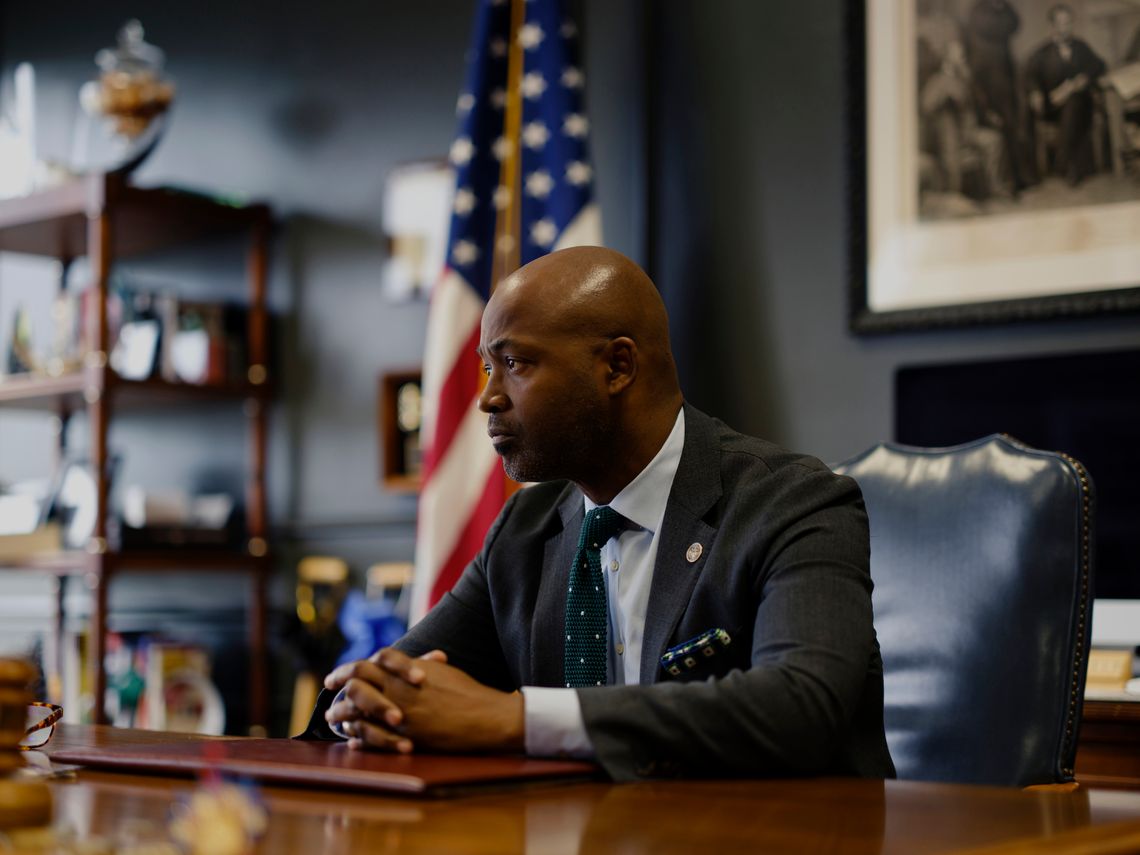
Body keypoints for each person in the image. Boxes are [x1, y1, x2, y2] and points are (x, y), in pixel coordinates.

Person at [304, 246, 895, 781]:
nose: (488, 396)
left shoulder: (796, 502)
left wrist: (520, 720)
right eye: (489, 365)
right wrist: (364, 705)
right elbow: (389, 688)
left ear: (617, 367)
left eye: (516, 363)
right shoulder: (524, 532)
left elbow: (801, 707)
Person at [1025, 4, 1108, 185]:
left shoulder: (1081, 46)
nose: (1066, 27)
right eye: (1062, 23)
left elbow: (1100, 65)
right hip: (1052, 107)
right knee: (1068, 103)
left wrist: (1083, 79)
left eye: (1069, 23)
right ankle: (1068, 164)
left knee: (1074, 100)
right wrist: (1034, 92)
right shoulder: (1041, 53)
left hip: (1081, 106)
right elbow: (1030, 77)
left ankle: (1064, 162)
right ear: (1052, 26)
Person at [966, 0, 1033, 194]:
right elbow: (997, 30)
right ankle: (1010, 182)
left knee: (1014, 124)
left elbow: (1015, 24)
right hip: (987, 74)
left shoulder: (1003, 6)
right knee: (1002, 125)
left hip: (1004, 71)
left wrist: (1002, 8)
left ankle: (1020, 177)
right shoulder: (978, 11)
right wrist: (1001, 10)